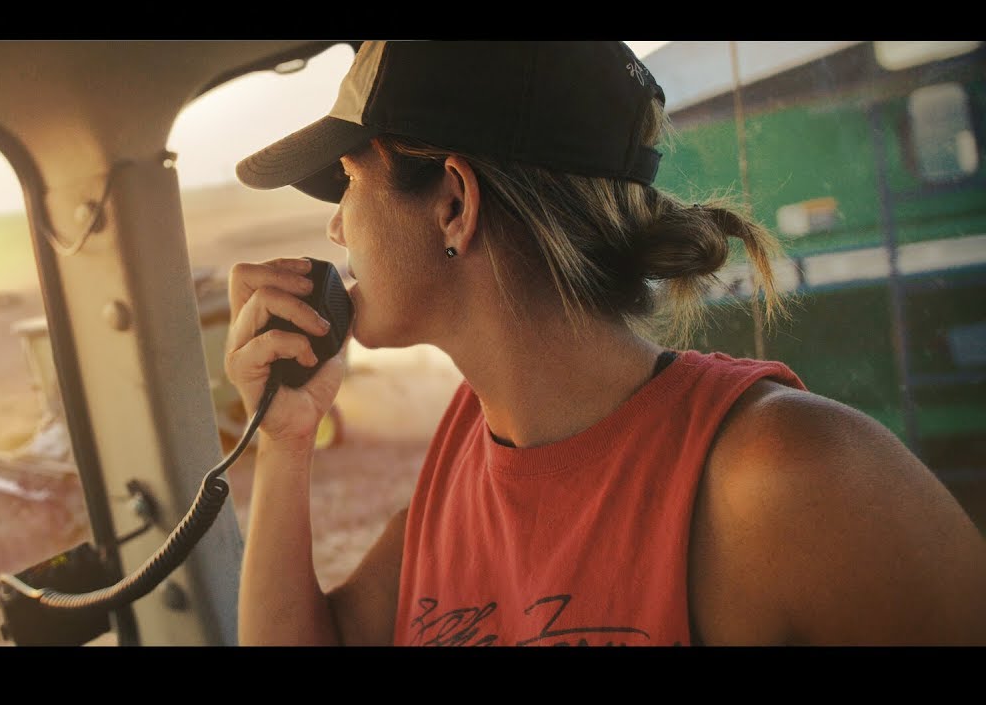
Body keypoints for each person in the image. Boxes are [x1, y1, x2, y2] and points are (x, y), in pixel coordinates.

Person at [222, 41, 986, 646]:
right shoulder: (464, 457)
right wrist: (287, 439)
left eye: (351, 182)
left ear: (453, 203)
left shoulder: (791, 476)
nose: (333, 225)